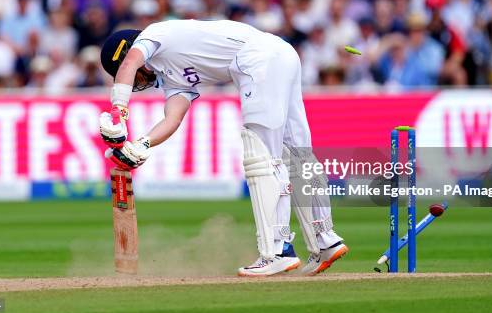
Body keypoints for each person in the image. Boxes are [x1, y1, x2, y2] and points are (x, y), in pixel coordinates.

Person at [98, 20, 348, 277]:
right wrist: (142, 144)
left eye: (125, 73)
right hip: (281, 55)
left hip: (257, 60)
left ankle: (277, 251)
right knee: (297, 155)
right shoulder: (171, 74)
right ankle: (325, 239)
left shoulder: (152, 36)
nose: (136, 80)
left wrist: (118, 112)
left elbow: (128, 64)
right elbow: (173, 118)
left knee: (262, 158)